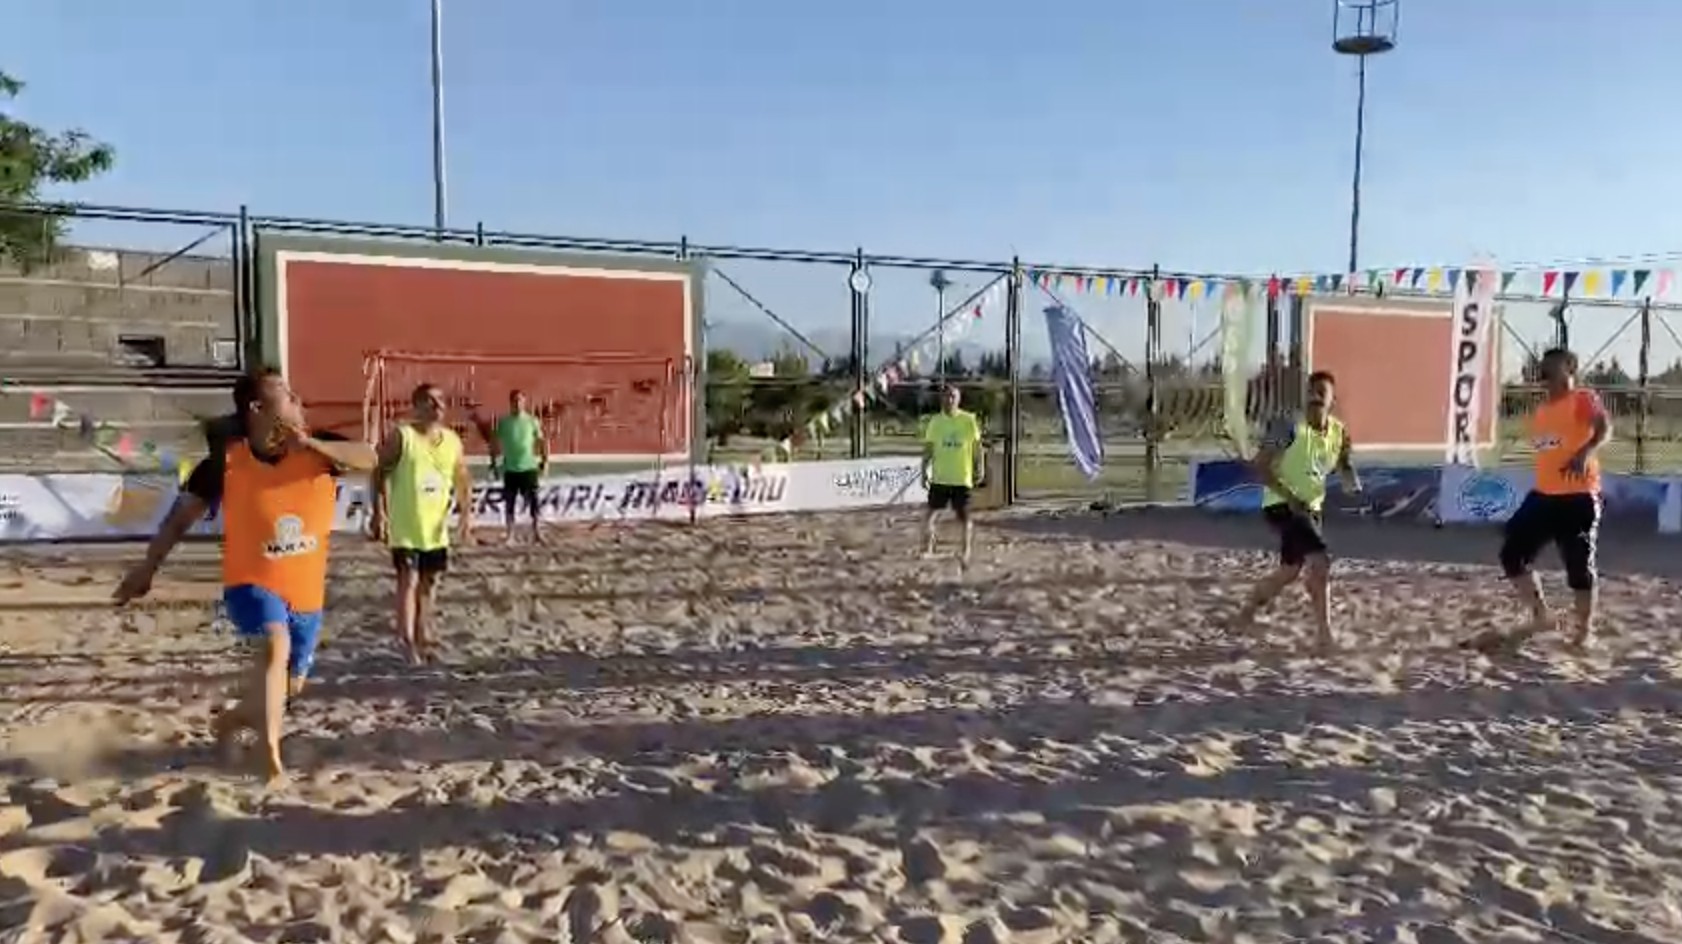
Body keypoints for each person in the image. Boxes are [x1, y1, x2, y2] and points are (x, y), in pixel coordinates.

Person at [113, 368, 377, 784]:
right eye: (287, 395)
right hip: (250, 584)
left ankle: (232, 721)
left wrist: (312, 445)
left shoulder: (320, 450)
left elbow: (371, 458)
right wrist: (147, 568)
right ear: (257, 408)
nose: (299, 402)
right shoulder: (226, 462)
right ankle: (269, 756)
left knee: (289, 686)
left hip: (306, 594)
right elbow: (178, 520)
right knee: (275, 642)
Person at [1468, 347, 1610, 654]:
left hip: (1578, 496)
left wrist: (1584, 453)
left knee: (1579, 567)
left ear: (1570, 368)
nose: (1545, 374)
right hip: (1544, 495)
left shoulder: (1583, 398)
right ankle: (1541, 614)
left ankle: (1584, 632)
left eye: (1552, 368)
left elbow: (1603, 427)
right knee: (1512, 554)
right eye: (1543, 369)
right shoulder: (1543, 411)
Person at [1230, 370, 1361, 649]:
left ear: (1332, 400)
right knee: (1320, 561)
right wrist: (1289, 497)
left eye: (1321, 393)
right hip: (1282, 504)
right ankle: (1324, 635)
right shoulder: (1288, 427)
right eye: (1311, 392)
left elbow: (1343, 461)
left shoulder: (1338, 431)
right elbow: (1261, 466)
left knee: (1289, 571)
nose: (1315, 397)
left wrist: (1349, 477)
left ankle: (1245, 614)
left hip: (1311, 508)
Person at [370, 383, 474, 665]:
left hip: (435, 530)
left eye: (441, 400)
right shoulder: (402, 437)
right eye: (430, 401)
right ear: (416, 406)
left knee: (429, 584)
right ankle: (406, 641)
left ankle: (423, 633)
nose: (438, 406)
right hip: (406, 526)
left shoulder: (451, 440)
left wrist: (467, 515)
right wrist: (379, 512)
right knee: (409, 581)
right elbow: (378, 473)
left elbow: (462, 477)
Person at [920, 385, 984, 566]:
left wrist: (980, 467)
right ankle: (928, 548)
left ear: (958, 399)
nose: (949, 400)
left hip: (961, 478)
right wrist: (924, 470)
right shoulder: (935, 422)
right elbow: (929, 448)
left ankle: (965, 552)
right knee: (930, 516)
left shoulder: (968, 420)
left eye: (953, 397)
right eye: (946, 396)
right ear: (941, 399)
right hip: (940, 477)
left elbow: (977, 447)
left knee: (965, 519)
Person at [490, 389, 547, 546]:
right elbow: (494, 443)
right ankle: (510, 534)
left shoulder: (532, 421)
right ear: (510, 403)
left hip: (529, 467)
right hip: (510, 469)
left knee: (534, 502)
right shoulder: (504, 423)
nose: (518, 404)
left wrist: (545, 461)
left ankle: (537, 532)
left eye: (520, 400)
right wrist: (493, 463)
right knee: (510, 503)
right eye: (515, 401)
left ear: (524, 402)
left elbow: (542, 442)